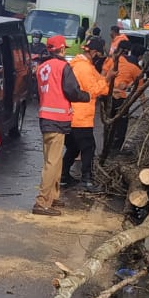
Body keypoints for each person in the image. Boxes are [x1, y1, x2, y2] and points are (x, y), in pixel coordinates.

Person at [32, 34, 90, 217]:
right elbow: (72, 91)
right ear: (63, 49)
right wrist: (86, 96)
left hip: (45, 118)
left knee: (54, 161)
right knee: (52, 163)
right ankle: (42, 202)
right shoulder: (63, 67)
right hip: (57, 120)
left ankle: (52, 196)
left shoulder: (42, 67)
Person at [61, 37, 113, 192]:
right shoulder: (83, 68)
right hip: (81, 117)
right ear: (95, 52)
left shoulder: (83, 65)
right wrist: (108, 79)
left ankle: (64, 176)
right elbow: (92, 90)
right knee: (88, 148)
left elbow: (100, 83)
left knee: (73, 147)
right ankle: (86, 180)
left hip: (75, 115)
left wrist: (107, 81)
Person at [103, 38, 148, 155]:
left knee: (108, 123)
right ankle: (115, 149)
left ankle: (106, 147)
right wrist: (145, 108)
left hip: (106, 96)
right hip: (120, 99)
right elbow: (140, 91)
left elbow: (101, 76)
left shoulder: (110, 61)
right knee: (121, 125)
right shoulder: (135, 68)